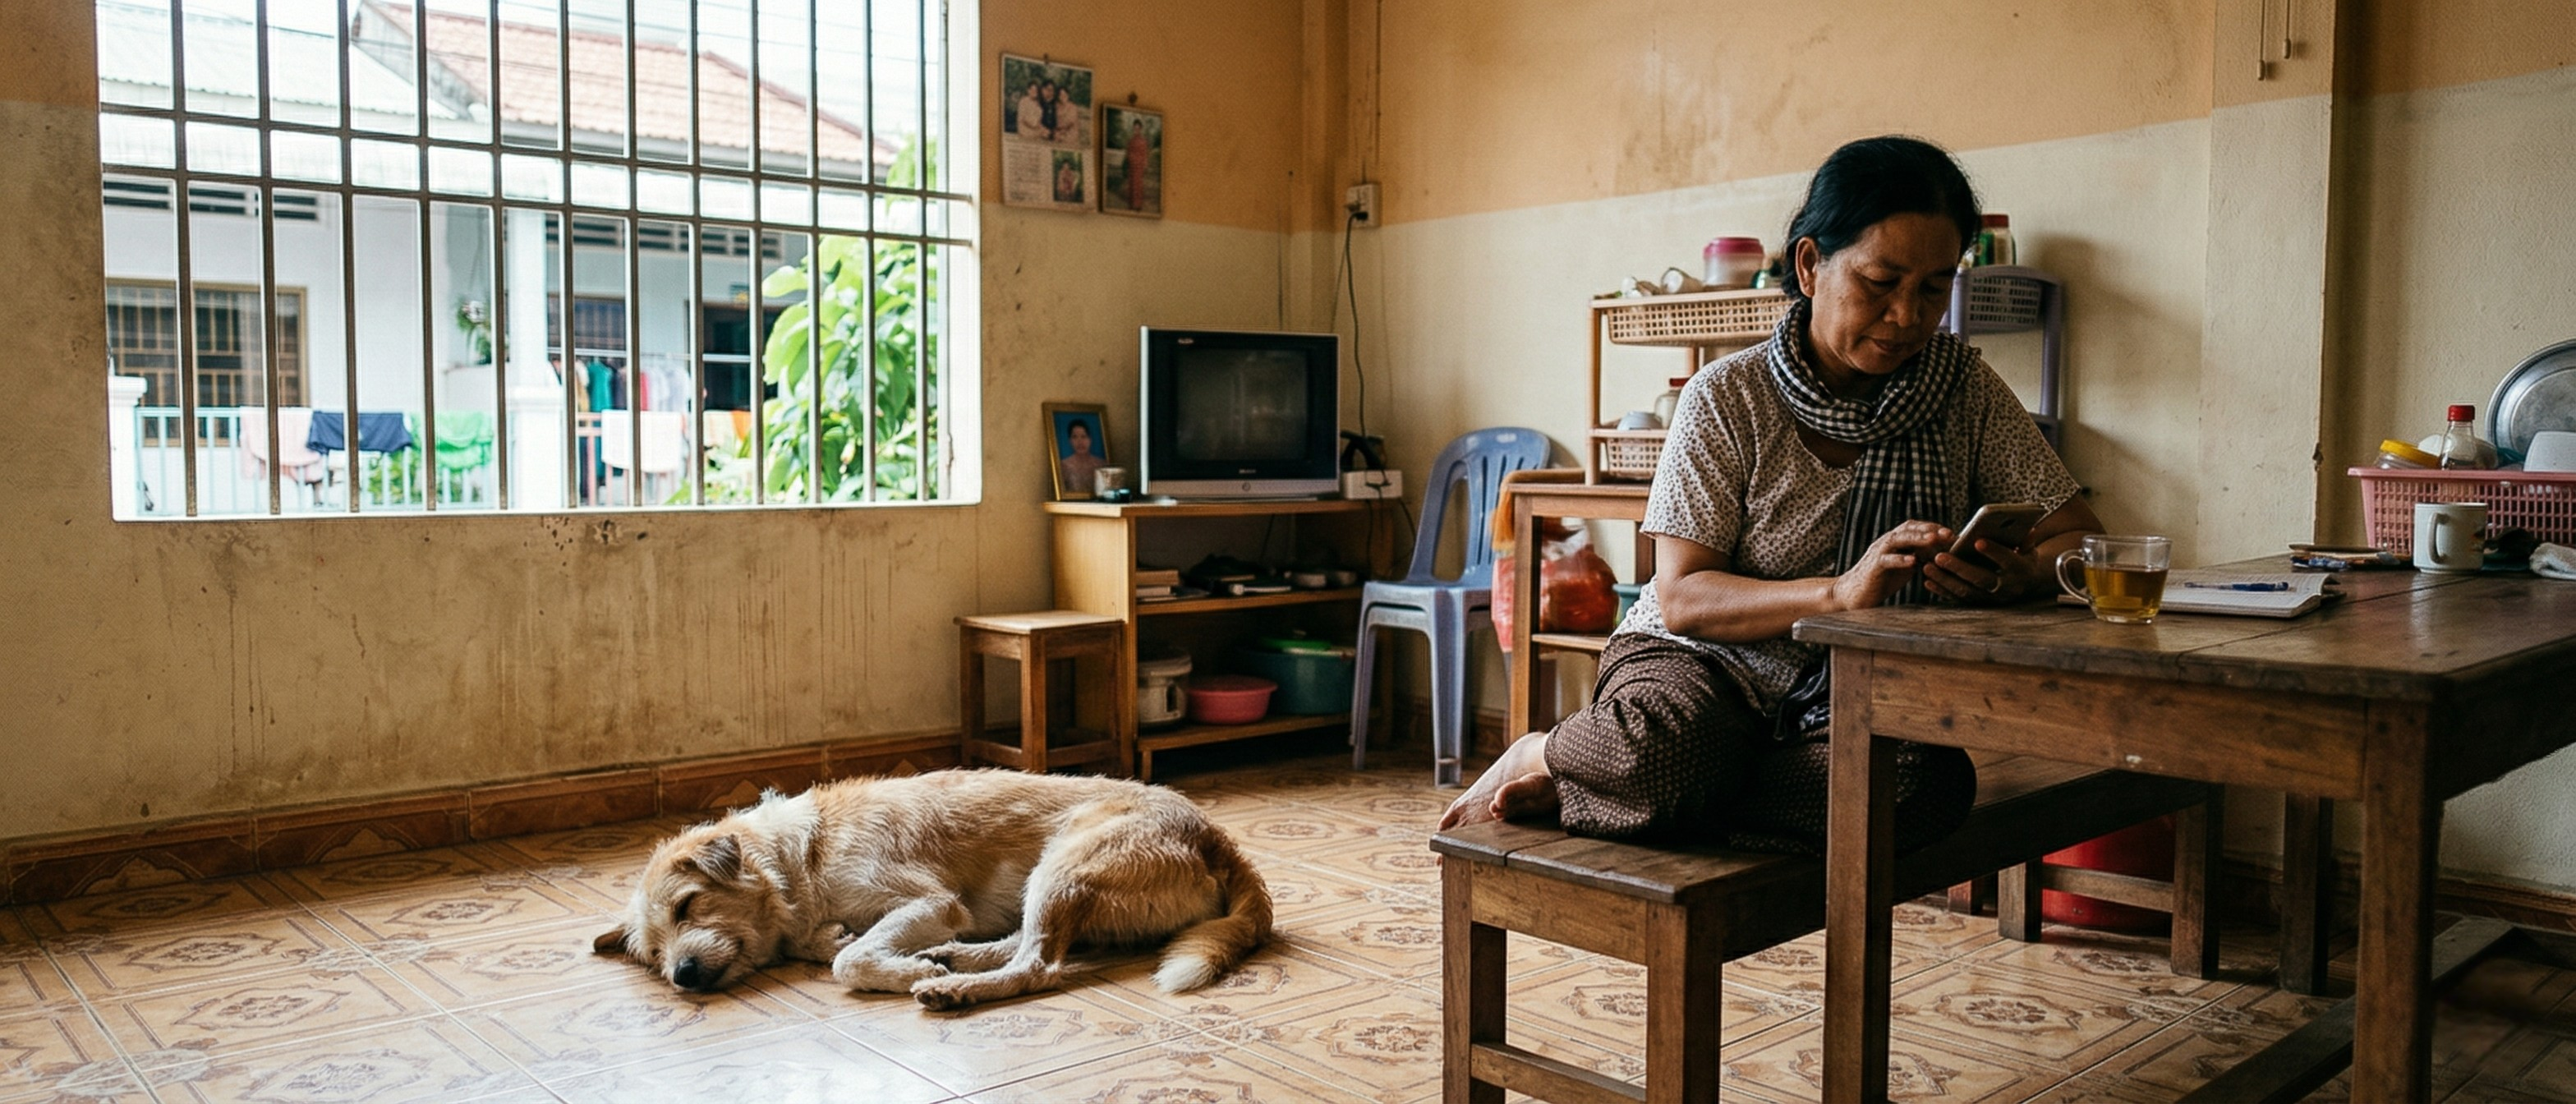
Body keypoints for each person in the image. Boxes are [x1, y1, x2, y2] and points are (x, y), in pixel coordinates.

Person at [1441, 136, 2103, 854]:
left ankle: (1624, 786)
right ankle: (1549, 753)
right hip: (1701, 665)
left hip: (1853, 684)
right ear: (1810, 265)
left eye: (1933, 289)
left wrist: (2024, 574)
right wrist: (1838, 595)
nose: (1907, 316)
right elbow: (1685, 597)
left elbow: (2080, 538)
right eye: (1880, 282)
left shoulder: (1962, 390)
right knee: (1676, 748)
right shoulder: (1728, 396)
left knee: (1920, 786)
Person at [1059, 418, 1105, 494]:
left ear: (1090, 439)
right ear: (1070, 441)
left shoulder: (1102, 464)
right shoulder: (1063, 466)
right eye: (1075, 437)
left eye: (1083, 436)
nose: (1080, 442)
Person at [1123, 115, 1152, 212]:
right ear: (1133, 129)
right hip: (1132, 165)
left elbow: (1145, 154)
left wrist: (1145, 164)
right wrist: (1129, 159)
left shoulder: (1143, 141)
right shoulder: (1131, 140)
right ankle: (1132, 204)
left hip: (1139, 166)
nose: (1136, 130)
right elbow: (1128, 152)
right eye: (1135, 128)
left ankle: (1138, 205)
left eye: (1138, 128)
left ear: (1140, 129)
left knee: (1138, 184)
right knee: (1131, 183)